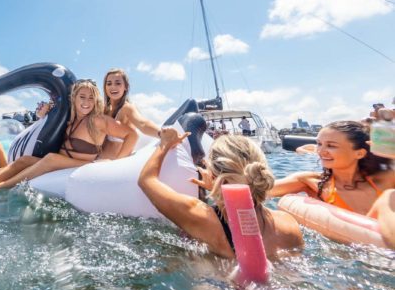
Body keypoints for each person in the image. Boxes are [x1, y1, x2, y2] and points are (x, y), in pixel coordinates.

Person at [138, 128, 303, 258]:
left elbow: (146, 180)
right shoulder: (289, 223)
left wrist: (165, 143)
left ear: (215, 175)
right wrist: (217, 188)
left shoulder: (200, 216)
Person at [0, 79, 137, 190]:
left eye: (91, 98)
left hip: (81, 164)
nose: (86, 103)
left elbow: (132, 135)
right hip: (63, 162)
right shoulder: (70, 119)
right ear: (74, 98)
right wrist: (45, 114)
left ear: (96, 101)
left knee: (51, 158)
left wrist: (118, 164)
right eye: (82, 97)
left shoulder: (98, 120)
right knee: (24, 160)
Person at [270, 120, 394, 215]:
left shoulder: (384, 180)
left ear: (359, 153)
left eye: (331, 146)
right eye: (319, 144)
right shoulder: (312, 182)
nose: (320, 151)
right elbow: (260, 191)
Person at [101, 68, 160, 159]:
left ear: (126, 87)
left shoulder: (127, 108)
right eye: (109, 83)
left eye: (118, 83)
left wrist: (162, 134)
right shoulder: (104, 109)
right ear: (105, 87)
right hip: (98, 161)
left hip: (114, 165)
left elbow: (143, 124)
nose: (113, 87)